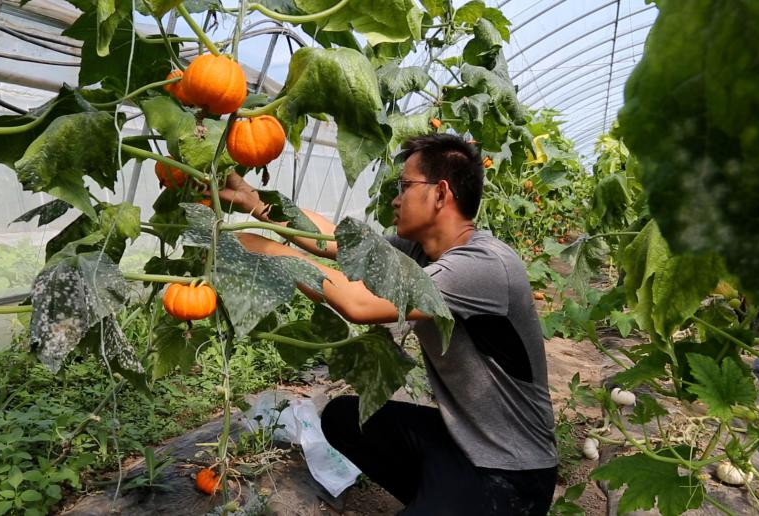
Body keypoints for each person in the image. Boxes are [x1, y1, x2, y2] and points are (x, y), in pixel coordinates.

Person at [217, 133, 558, 515]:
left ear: (441, 193)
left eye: (405, 186)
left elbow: (359, 304)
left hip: (513, 472)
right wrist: (255, 202)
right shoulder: (420, 251)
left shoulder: (481, 266)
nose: (396, 198)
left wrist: (259, 248)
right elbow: (337, 241)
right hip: (461, 440)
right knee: (345, 419)